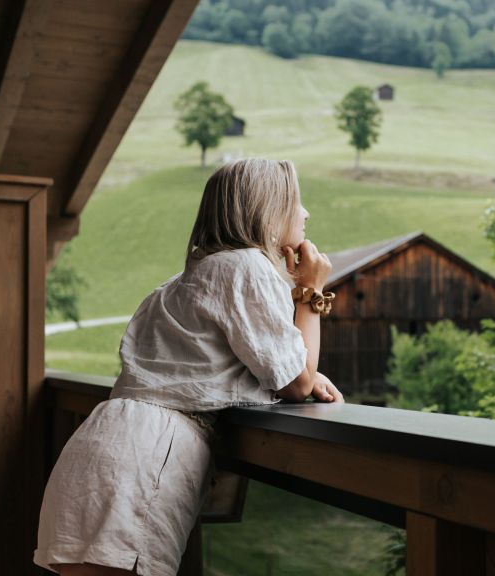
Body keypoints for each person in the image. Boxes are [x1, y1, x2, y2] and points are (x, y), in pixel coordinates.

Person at [34, 158, 343, 576]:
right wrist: (311, 291)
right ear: (267, 213)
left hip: (105, 450)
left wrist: (298, 367)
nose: (306, 213)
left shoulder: (179, 284)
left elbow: (229, 365)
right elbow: (297, 383)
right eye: (296, 201)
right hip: (142, 465)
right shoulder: (246, 267)